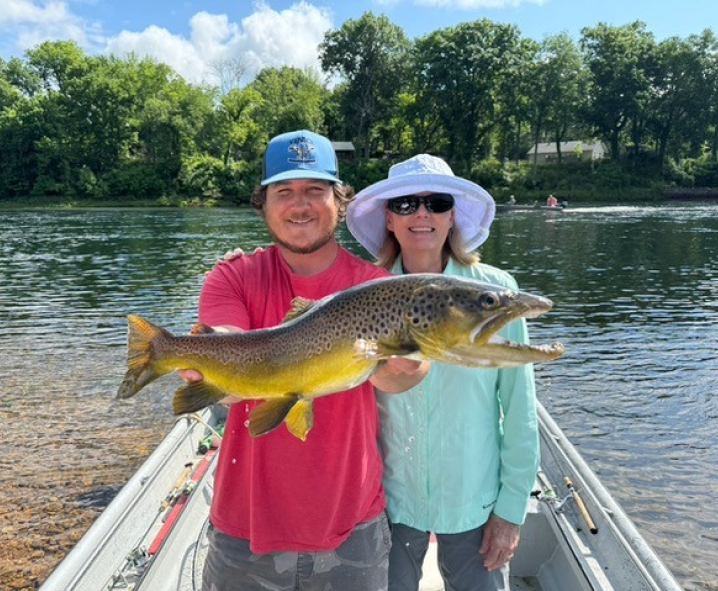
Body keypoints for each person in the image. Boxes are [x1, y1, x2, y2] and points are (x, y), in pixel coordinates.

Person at [180, 130, 427, 591]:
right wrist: (207, 355)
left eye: (316, 191)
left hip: (352, 527)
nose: (300, 206)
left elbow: (396, 380)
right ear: (263, 203)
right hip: (245, 527)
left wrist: (408, 364)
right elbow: (229, 337)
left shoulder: (373, 286)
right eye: (284, 192)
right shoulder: (231, 276)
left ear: (340, 201)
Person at [346, 154, 540, 591]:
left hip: (474, 503)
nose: (422, 214)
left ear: (452, 216)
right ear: (388, 219)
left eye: (435, 202)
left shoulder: (497, 295)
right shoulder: (359, 296)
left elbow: (521, 412)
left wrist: (510, 511)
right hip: (389, 504)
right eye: (405, 204)